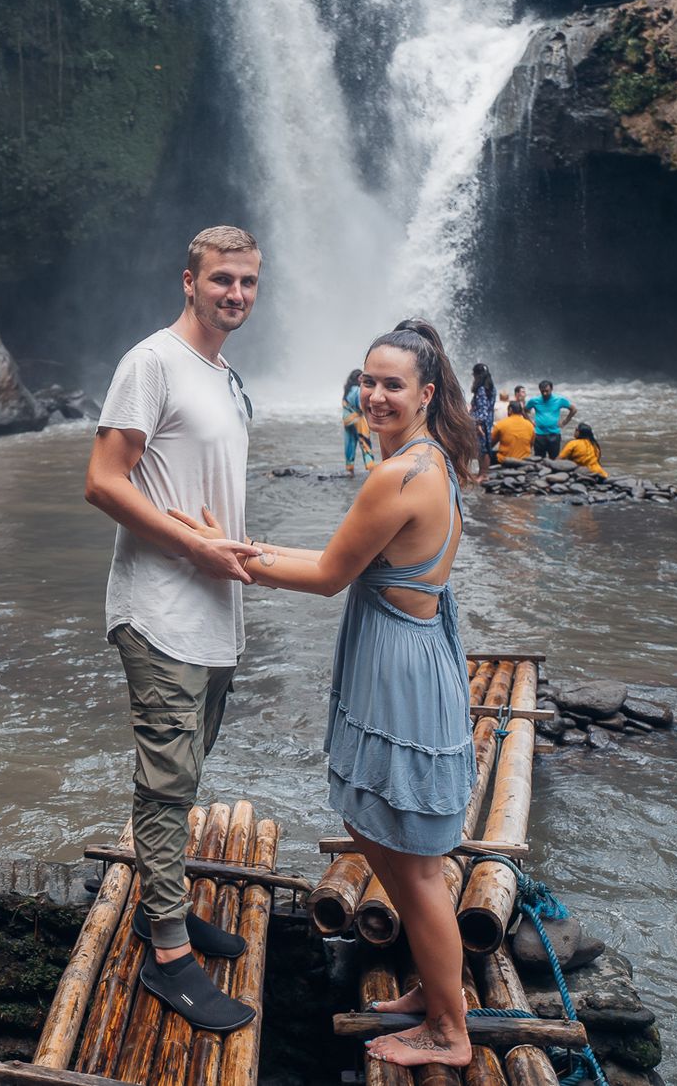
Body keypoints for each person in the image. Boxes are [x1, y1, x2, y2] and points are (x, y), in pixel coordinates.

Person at [168, 318, 481, 1068]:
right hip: (409, 654)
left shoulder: (400, 474)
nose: (373, 394)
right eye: (367, 380)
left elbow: (327, 572)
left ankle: (450, 1031)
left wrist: (227, 559)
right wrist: (240, 547)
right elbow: (339, 555)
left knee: (414, 862)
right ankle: (438, 992)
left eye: (392, 384)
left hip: (401, 672)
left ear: (427, 392)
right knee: (378, 832)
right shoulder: (424, 458)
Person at [83, 225, 264, 1033]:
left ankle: (173, 907)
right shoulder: (150, 362)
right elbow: (101, 480)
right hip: (156, 611)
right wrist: (192, 544)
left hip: (214, 615)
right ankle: (166, 954)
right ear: (186, 280)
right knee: (164, 783)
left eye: (249, 282)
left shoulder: (227, 379)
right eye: (222, 278)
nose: (236, 293)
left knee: (183, 777)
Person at [523, 380, 575, 461]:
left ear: (551, 389)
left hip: (554, 434)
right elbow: (524, 411)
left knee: (554, 459)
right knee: (539, 460)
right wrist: (530, 422)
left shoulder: (559, 400)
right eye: (542, 391)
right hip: (539, 434)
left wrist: (565, 422)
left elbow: (573, 409)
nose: (544, 393)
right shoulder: (534, 401)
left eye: (547, 391)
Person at [342, 370, 375, 474]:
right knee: (365, 443)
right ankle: (371, 469)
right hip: (358, 420)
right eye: (362, 378)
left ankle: (350, 469)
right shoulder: (357, 390)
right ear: (357, 378)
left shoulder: (347, 390)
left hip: (347, 421)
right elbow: (361, 406)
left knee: (349, 444)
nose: (363, 380)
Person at [489, 399, 534, 464]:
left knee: (487, 453)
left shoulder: (501, 424)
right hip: (524, 459)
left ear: (510, 410)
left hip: (505, 459)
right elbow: (531, 444)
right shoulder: (530, 425)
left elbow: (491, 443)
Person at [469, 364, 495, 466]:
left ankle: (482, 474)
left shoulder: (481, 390)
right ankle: (483, 474)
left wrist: (478, 424)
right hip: (488, 422)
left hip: (481, 424)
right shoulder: (491, 388)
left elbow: (483, 409)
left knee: (482, 449)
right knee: (486, 448)